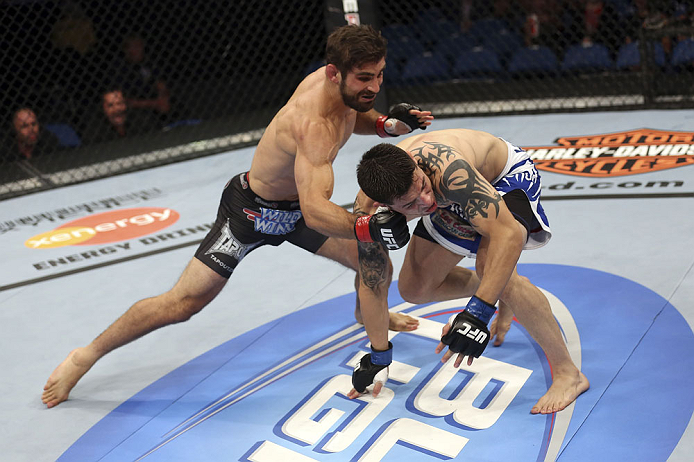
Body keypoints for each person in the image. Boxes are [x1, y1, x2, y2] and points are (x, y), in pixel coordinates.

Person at [42, 24, 433, 408]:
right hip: (253, 211)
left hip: (297, 207)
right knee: (183, 303)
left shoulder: (342, 89)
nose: (375, 87)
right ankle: (86, 355)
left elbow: (355, 113)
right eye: (365, 78)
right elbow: (316, 212)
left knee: (372, 261)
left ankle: (366, 312)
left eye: (380, 75)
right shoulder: (312, 123)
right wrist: (366, 226)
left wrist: (386, 124)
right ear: (335, 74)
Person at [350, 128, 590, 414]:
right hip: (452, 199)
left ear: (416, 167)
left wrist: (478, 313)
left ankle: (568, 374)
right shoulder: (367, 212)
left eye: (423, 186)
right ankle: (500, 288)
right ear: (383, 206)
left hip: (503, 181)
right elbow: (371, 283)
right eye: (410, 204)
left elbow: (509, 235)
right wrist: (378, 357)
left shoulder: (448, 171)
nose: (425, 202)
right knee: (414, 289)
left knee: (494, 269)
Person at [80, 87, 157, 144]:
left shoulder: (141, 120)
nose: (117, 109)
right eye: (110, 105)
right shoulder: (94, 132)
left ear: (126, 105)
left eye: (119, 103)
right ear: (103, 109)